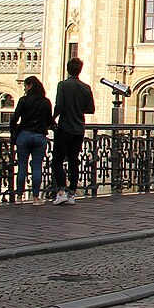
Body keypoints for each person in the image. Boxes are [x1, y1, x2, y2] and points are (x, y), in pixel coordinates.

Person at [51, 56, 94, 205]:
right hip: (79, 128)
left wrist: (52, 119)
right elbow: (90, 109)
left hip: (65, 127)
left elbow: (59, 105)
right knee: (73, 161)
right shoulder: (86, 87)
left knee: (57, 160)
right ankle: (72, 194)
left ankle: (61, 190)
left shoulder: (63, 85)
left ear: (67, 69)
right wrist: (78, 108)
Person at [11, 74, 53, 202]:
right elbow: (49, 120)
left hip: (24, 135)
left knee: (22, 166)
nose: (25, 89)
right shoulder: (46, 102)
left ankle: (19, 196)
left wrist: (14, 131)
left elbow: (14, 118)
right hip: (39, 136)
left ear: (30, 86)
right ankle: (35, 197)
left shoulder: (23, 100)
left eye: (26, 86)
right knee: (36, 166)